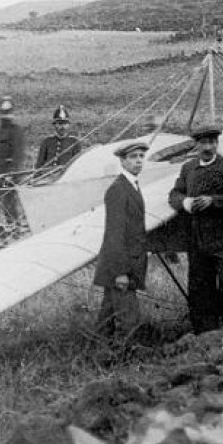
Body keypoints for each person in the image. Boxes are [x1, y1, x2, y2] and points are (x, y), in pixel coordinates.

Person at [168, 125, 223, 334]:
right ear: (196, 145)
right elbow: (174, 194)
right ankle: (205, 334)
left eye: (212, 142)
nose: (208, 147)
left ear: (217, 144)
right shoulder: (188, 169)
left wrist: (213, 201)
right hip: (198, 240)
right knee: (200, 287)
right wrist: (186, 203)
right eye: (204, 143)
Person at [93, 141, 149, 336]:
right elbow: (115, 234)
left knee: (106, 317)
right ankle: (128, 361)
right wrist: (120, 272)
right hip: (121, 267)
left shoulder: (131, 185)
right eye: (133, 157)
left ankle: (100, 358)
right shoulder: (118, 189)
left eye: (141, 156)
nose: (139, 161)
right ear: (123, 161)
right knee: (130, 319)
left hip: (124, 265)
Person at [0, 96, 26, 227]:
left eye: (7, 113)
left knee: (9, 203)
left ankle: (15, 228)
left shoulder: (16, 131)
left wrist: (12, 173)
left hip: (10, 173)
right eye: (3, 113)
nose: (5, 117)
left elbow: (18, 154)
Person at [35, 105, 81, 169]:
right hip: (48, 176)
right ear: (54, 125)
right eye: (60, 124)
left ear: (68, 125)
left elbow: (78, 165)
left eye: (65, 124)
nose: (63, 127)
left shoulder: (74, 142)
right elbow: (39, 164)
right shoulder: (47, 141)